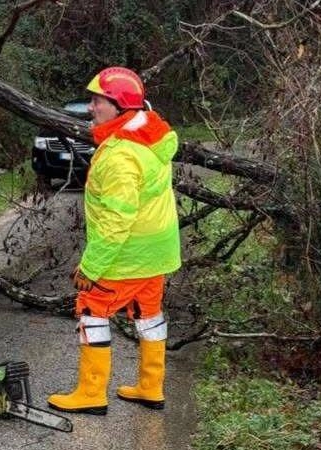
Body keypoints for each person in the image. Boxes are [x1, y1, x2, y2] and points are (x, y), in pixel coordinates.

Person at [47, 67, 181, 415]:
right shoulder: (149, 138)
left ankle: (92, 392)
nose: (91, 108)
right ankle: (151, 387)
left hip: (127, 256)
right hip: (156, 254)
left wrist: (91, 266)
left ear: (120, 107)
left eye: (97, 101)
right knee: (149, 316)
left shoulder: (121, 155)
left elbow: (116, 221)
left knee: (92, 310)